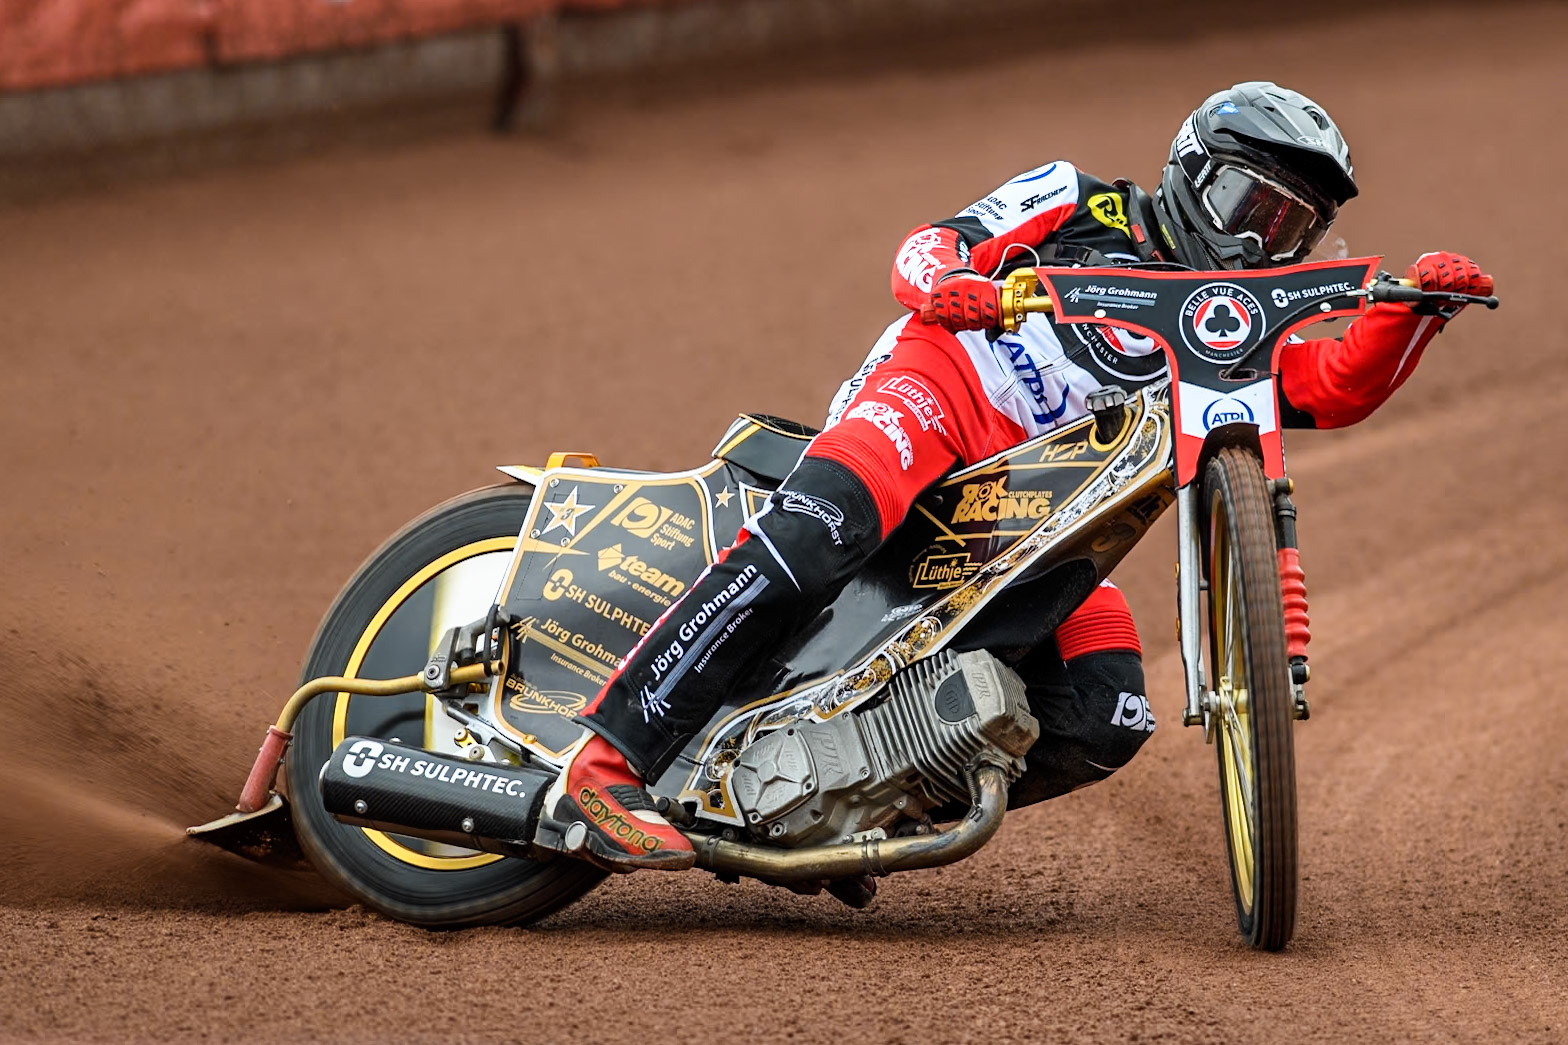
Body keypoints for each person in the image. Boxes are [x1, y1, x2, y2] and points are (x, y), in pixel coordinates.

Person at [537, 81, 1494, 872]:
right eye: (1252, 210)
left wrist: (1413, 314)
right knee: (828, 523)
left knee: (1110, 707)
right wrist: (950, 285)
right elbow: (931, 244)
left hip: (1038, 514)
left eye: (1291, 233)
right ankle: (609, 753)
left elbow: (1322, 388)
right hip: (939, 399)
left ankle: (860, 808)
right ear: (1192, 175)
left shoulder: (1230, 327)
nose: (1258, 249)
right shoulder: (1079, 200)